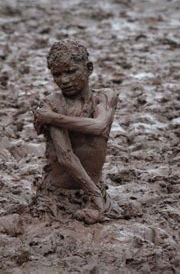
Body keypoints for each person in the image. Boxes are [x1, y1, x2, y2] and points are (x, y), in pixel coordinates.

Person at [33, 40, 120, 222]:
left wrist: (52, 119)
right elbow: (65, 156)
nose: (64, 80)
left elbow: (100, 126)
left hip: (94, 191)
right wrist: (94, 194)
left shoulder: (104, 96)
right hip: (58, 195)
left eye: (71, 71)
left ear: (89, 69)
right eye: (57, 74)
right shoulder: (52, 103)